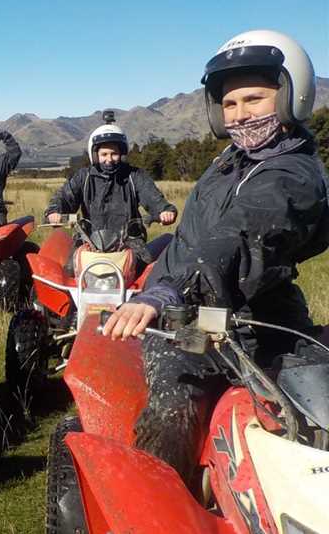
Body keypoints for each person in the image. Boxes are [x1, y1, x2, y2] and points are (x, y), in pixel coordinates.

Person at [102, 30, 329, 485]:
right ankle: (164, 502)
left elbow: (240, 236)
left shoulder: (291, 175)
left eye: (254, 99)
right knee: (172, 411)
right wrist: (158, 262)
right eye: (229, 104)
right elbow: (194, 237)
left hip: (257, 315)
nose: (241, 114)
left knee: (313, 412)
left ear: (290, 97)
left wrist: (167, 291)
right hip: (191, 316)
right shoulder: (229, 162)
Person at [45, 112, 177, 272]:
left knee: (145, 274)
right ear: (95, 155)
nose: (109, 159)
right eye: (104, 154)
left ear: (121, 154)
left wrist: (164, 210)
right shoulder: (84, 177)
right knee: (71, 271)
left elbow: (153, 197)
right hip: (90, 240)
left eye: (114, 153)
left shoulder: (134, 176)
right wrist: (55, 211)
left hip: (129, 241)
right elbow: (66, 197)